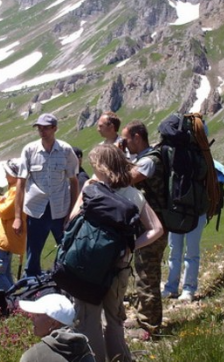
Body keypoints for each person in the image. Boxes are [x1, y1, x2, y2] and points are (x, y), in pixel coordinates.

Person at [72, 144, 163, 362]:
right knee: (114, 318)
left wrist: (84, 192)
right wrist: (130, 247)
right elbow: (156, 229)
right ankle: (120, 358)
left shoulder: (90, 189)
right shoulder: (134, 194)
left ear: (101, 167)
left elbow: (71, 221)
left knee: (89, 318)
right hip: (119, 264)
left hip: (88, 265)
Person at [13, 113, 79, 277]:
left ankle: (68, 288)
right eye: (39, 128)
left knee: (67, 252)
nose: (42, 131)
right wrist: (18, 217)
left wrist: (72, 213)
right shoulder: (29, 150)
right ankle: (32, 289)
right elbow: (20, 183)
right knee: (33, 256)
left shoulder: (65, 150)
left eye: (46, 128)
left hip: (60, 211)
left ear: (55, 128)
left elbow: (74, 182)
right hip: (36, 211)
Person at [120, 120, 170, 332]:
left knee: (148, 276)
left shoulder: (149, 161)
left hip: (154, 227)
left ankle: (150, 325)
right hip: (147, 226)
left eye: (126, 139)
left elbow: (123, 180)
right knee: (142, 272)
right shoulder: (142, 159)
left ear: (137, 137)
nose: (124, 143)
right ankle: (144, 316)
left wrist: (116, 154)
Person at [19, 293, 96, 362]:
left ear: (53, 323)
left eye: (37, 315)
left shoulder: (33, 356)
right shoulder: (84, 346)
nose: (32, 318)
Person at [0, 159, 26, 291]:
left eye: (7, 173)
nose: (5, 176)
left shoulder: (16, 191)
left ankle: (12, 301)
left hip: (7, 237)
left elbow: (5, 212)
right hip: (6, 238)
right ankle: (14, 302)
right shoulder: (14, 190)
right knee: (4, 272)